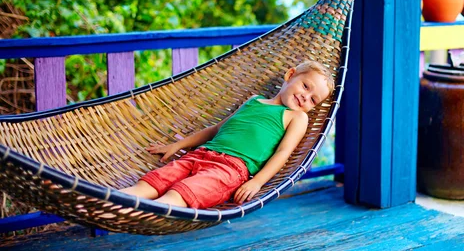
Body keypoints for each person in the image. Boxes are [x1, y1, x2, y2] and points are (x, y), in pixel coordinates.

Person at [120, 61, 335, 209]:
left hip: (230, 170)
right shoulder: (253, 100)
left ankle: (139, 214)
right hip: (200, 154)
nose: (305, 97)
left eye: (313, 100)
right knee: (150, 184)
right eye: (305, 86)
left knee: (177, 195)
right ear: (290, 75)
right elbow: (217, 129)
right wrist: (178, 146)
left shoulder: (296, 117)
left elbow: (283, 153)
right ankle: (114, 206)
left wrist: (257, 182)